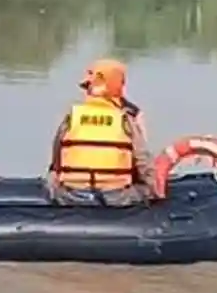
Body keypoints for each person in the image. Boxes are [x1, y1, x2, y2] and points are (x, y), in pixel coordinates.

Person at [45, 58, 157, 206]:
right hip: (116, 198)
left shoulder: (72, 116)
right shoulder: (125, 118)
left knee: (51, 177)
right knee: (145, 189)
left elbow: (56, 159)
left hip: (71, 195)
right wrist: (155, 189)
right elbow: (143, 161)